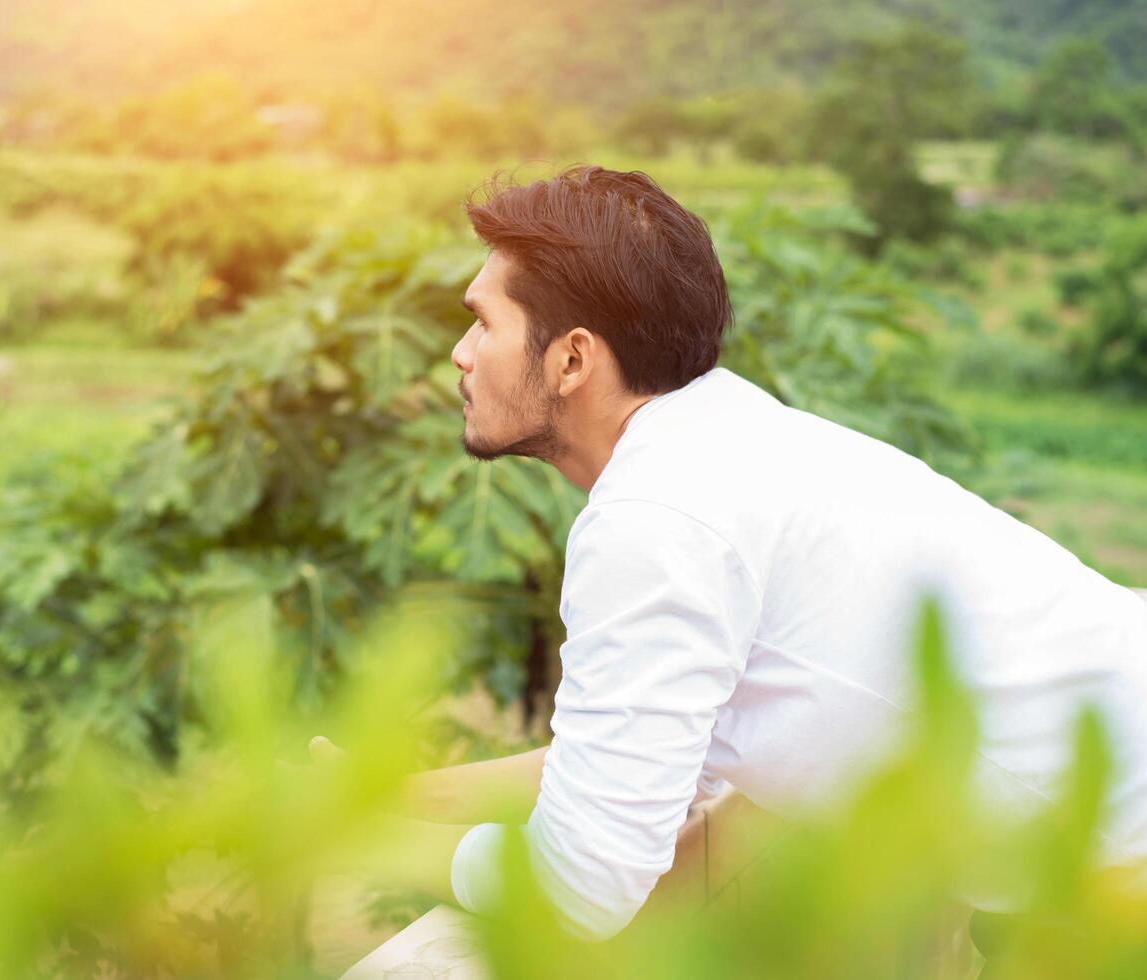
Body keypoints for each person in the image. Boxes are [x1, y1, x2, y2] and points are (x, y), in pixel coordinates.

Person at [311, 164, 1147, 953]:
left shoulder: (656, 520)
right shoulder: (722, 436)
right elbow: (614, 746)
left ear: (571, 358)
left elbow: (583, 886)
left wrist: (370, 844)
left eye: (482, 321)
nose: (460, 352)